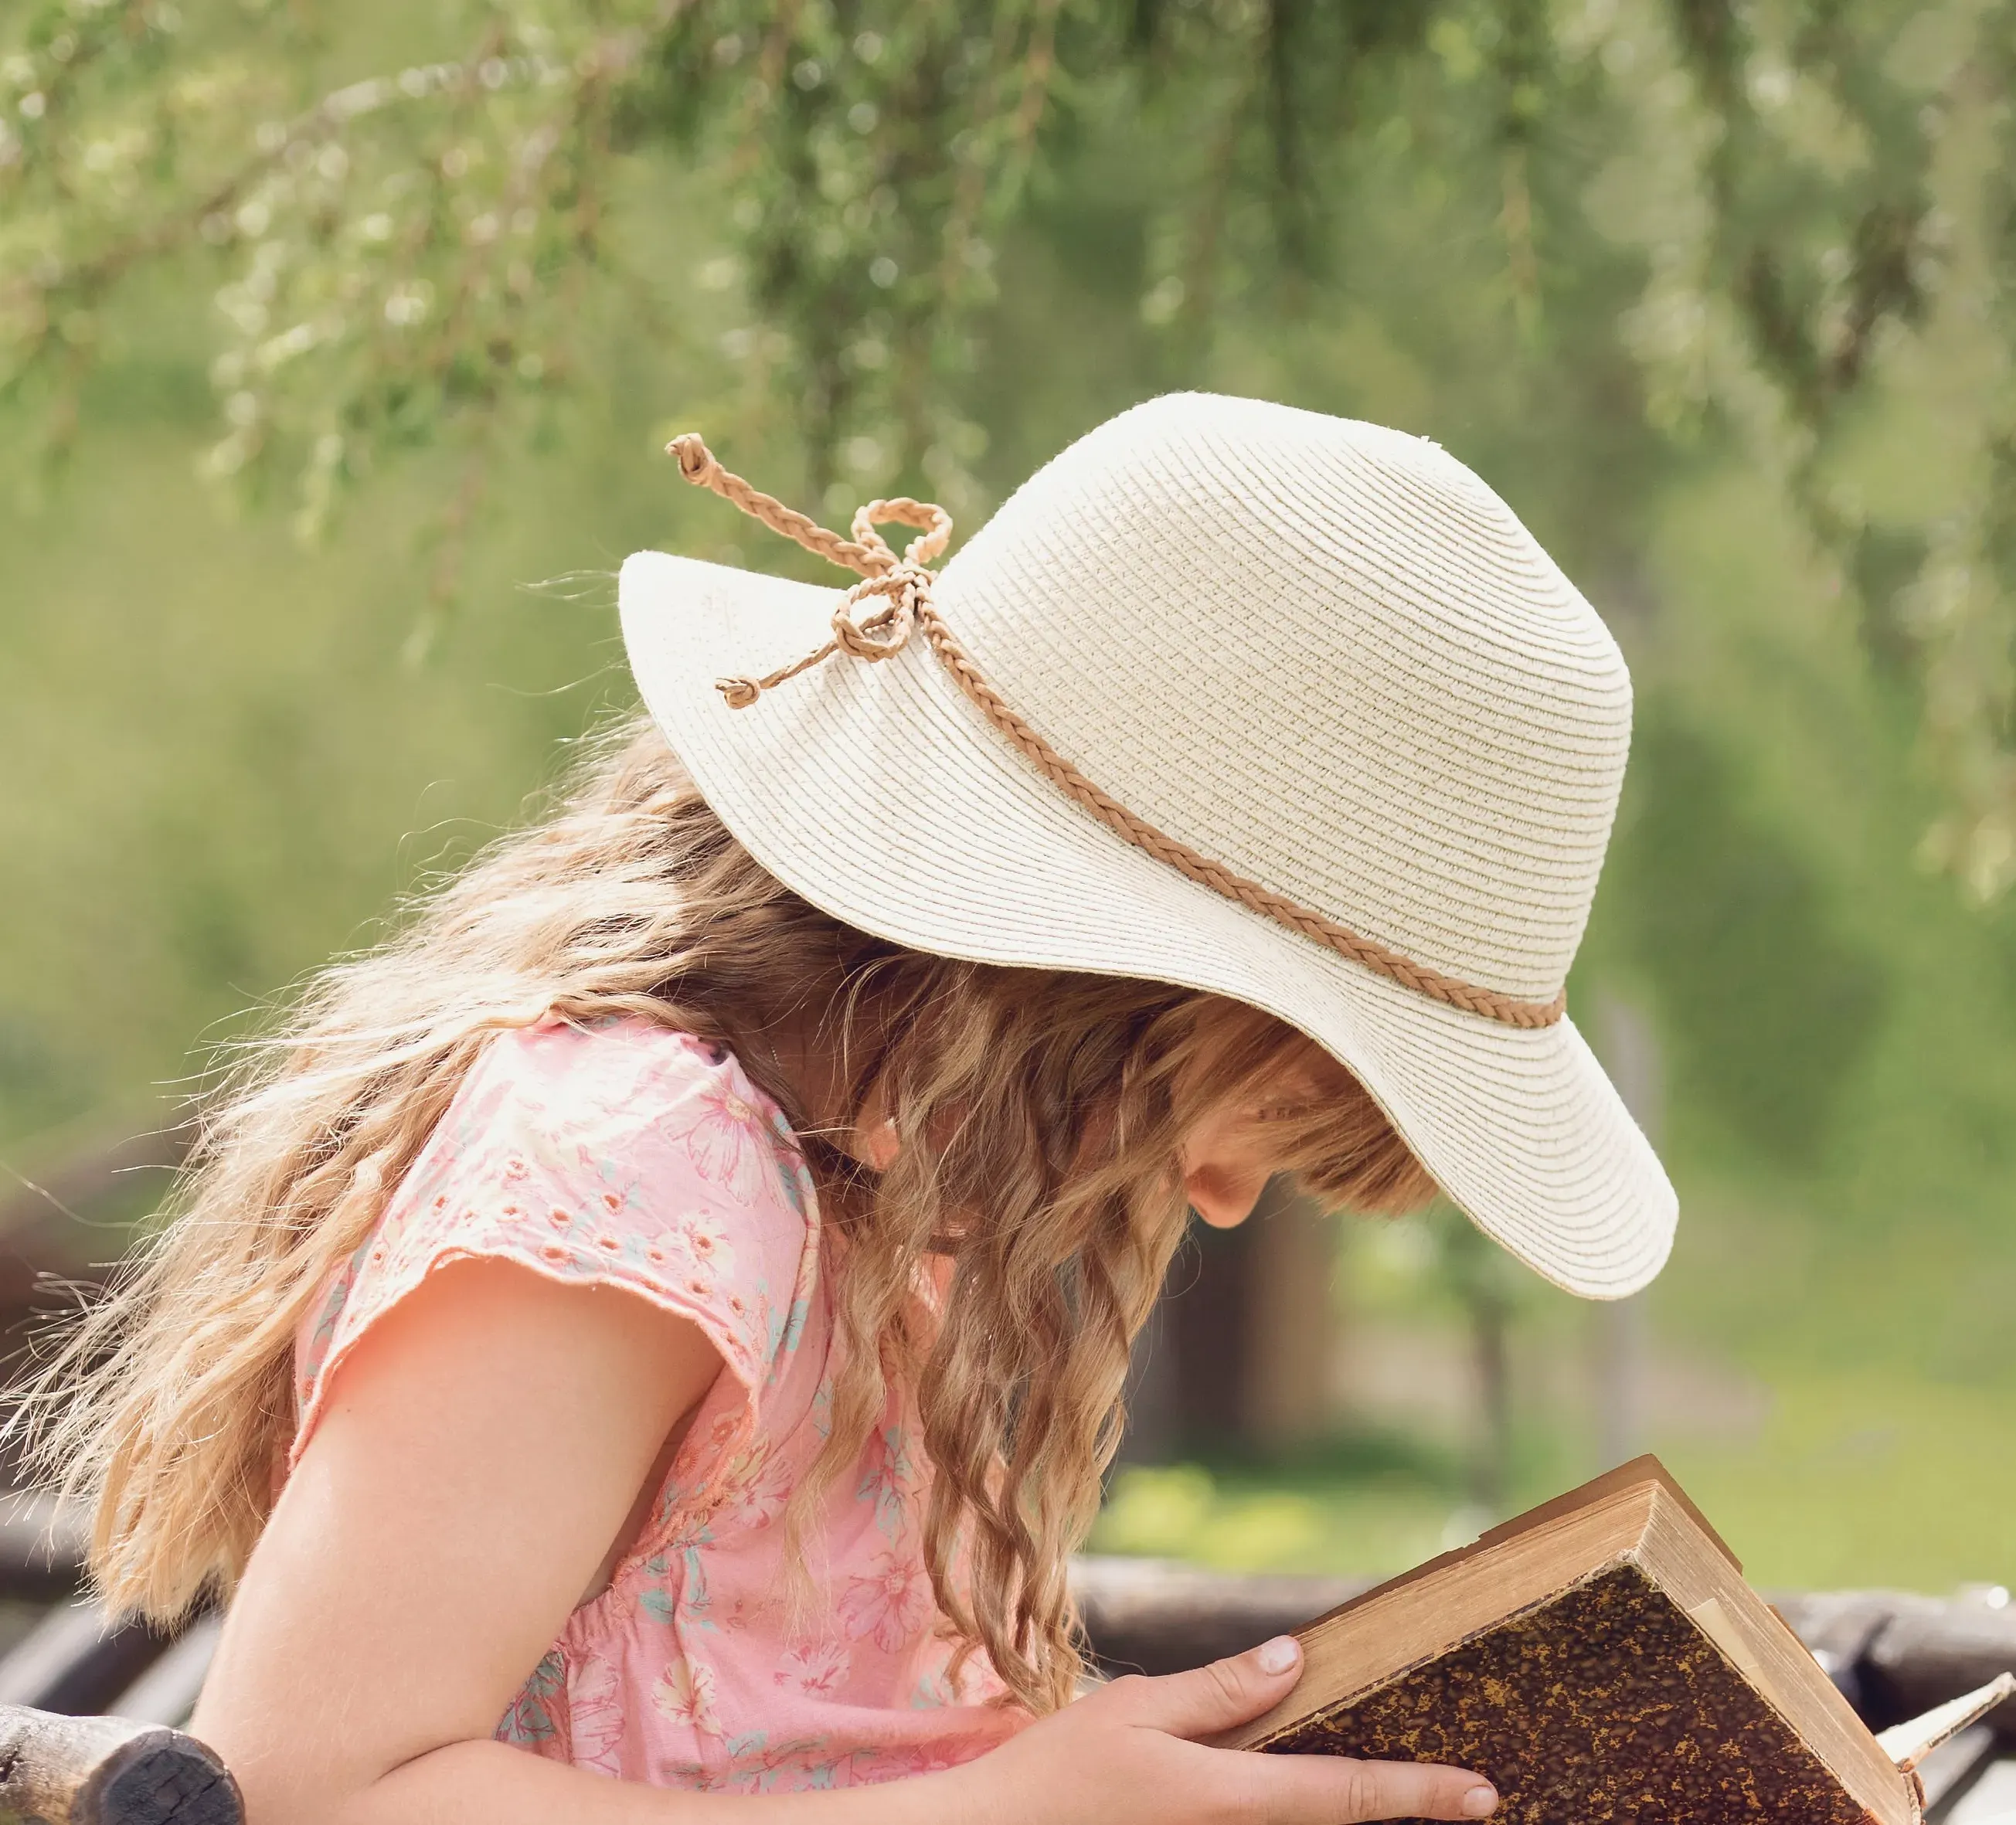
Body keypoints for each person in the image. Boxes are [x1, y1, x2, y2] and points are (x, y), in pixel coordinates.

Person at [29, 393, 1675, 1825]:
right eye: (1279, 1102)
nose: (1230, 1200)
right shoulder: (630, 1168)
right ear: (1110, 982)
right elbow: (306, 1786)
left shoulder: (886, 1207)